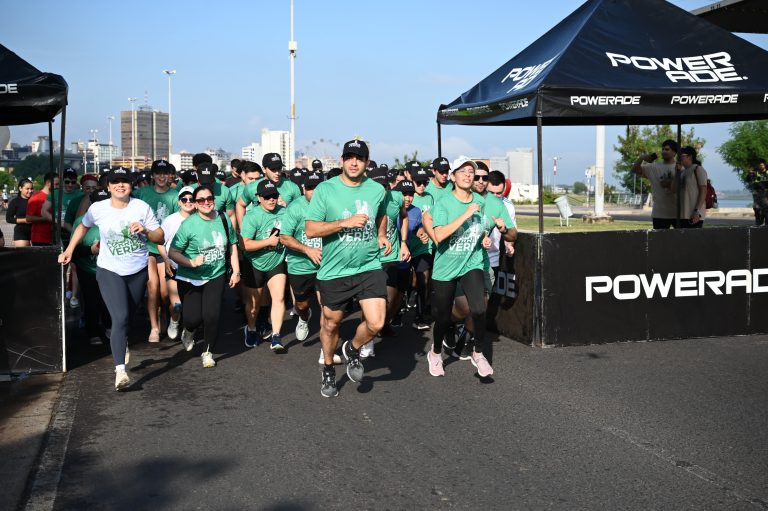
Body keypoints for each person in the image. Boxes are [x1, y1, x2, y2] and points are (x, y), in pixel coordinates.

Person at [58, 167, 164, 391]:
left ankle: (121, 340)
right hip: (109, 270)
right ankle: (120, 371)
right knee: (120, 316)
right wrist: (69, 250)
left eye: (124, 181)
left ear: (131, 185)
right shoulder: (98, 208)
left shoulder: (141, 207)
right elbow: (82, 227)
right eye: (115, 182)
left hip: (137, 269)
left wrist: (145, 230)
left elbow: (159, 236)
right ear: (108, 186)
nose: (120, 185)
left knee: (128, 316)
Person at [305, 139, 390, 398]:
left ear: (366, 162)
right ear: (342, 160)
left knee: (376, 323)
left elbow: (382, 214)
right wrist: (345, 223)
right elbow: (311, 229)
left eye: (360, 158)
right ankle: (329, 368)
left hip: (368, 265)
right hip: (335, 269)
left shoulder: (376, 190)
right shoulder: (326, 189)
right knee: (332, 324)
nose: (354, 162)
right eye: (349, 157)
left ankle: (352, 349)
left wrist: (382, 235)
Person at [427, 156, 514, 378]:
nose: (468, 175)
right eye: (462, 171)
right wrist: (466, 214)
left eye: (470, 172)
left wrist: (490, 235)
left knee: (479, 308)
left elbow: (482, 226)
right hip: (446, 266)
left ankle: (478, 352)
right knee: (444, 318)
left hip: (472, 263)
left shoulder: (481, 201)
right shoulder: (445, 202)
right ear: (454, 176)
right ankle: (436, 353)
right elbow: (439, 235)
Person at [170, 185, 240, 368]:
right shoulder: (189, 224)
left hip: (216, 274)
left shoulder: (223, 218)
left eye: (209, 198)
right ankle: (188, 330)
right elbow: (173, 252)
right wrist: (191, 262)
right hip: (189, 277)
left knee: (212, 316)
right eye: (201, 200)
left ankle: (207, 351)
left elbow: (232, 245)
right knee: (193, 318)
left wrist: (236, 270)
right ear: (195, 203)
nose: (206, 202)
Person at [280, 170, 331, 362]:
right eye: (310, 188)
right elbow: (285, 237)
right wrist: (307, 250)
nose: (314, 192)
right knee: (301, 304)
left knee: (327, 308)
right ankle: (303, 317)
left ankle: (325, 350)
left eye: (318, 188)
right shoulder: (295, 208)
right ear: (303, 189)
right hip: (300, 265)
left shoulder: (330, 206)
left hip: (326, 266)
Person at [134, 160, 179, 342]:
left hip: (166, 248)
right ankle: (153, 327)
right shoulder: (142, 193)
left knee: (164, 292)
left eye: (165, 173)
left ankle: (165, 315)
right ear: (152, 176)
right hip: (146, 246)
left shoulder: (176, 196)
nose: (161, 176)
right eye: (158, 173)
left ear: (170, 175)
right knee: (152, 288)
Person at [239, 180, 288, 351]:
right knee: (254, 305)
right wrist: (268, 241)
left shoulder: (284, 212)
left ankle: (276, 335)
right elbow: (244, 245)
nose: (271, 200)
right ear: (259, 198)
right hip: (254, 263)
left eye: (274, 196)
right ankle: (251, 329)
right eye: (267, 197)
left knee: (279, 297)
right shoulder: (252, 216)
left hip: (276, 261)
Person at [72, 189, 111, 345]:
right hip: (87, 268)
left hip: (109, 268)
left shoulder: (115, 219)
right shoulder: (81, 221)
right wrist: (90, 250)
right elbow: (73, 250)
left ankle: (109, 326)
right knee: (91, 301)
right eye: (97, 204)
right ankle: (92, 331)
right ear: (91, 205)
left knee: (108, 300)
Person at [158, 186, 197, 340]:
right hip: (174, 267)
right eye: (184, 199)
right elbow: (160, 242)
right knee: (177, 305)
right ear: (179, 202)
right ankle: (174, 321)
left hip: (195, 269)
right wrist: (166, 259)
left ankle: (189, 330)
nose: (188, 202)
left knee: (192, 307)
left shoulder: (201, 217)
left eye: (191, 199)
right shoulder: (171, 219)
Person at [409, 167, 435, 330]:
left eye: (424, 182)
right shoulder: (407, 198)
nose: (422, 185)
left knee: (424, 281)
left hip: (424, 248)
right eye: (418, 182)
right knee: (407, 284)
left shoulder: (430, 197)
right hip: (407, 246)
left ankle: (420, 316)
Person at [632, 140, 678, 229]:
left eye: (667, 149)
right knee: (659, 242)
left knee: (680, 241)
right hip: (659, 214)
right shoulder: (654, 167)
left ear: (674, 152)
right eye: (663, 149)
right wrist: (641, 158)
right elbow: (634, 170)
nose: (663, 151)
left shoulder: (680, 167)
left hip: (678, 213)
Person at [672, 146, 708, 229]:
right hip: (681, 215)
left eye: (681, 156)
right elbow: (673, 189)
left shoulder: (698, 169)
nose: (679, 159)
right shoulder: (682, 172)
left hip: (693, 215)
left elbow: (703, 191)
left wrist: (697, 211)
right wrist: (676, 172)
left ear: (690, 156)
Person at [26, 172, 58, 246]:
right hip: (40, 239)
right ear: (48, 183)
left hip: (54, 238)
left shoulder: (56, 196)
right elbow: (28, 218)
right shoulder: (36, 198)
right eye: (56, 184)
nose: (57, 187)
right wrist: (47, 218)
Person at [6, 178, 34, 247]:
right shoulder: (15, 202)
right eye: (27, 189)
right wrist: (25, 220)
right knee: (23, 256)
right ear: (20, 188)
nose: (30, 191)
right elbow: (9, 219)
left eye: (31, 188)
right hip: (21, 233)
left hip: (36, 232)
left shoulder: (35, 200)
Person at [747, 159, 768, 226]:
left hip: (766, 194)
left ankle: (767, 223)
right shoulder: (756, 173)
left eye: (762, 165)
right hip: (757, 193)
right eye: (759, 165)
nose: (760, 166)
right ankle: (759, 222)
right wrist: (750, 174)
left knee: (766, 208)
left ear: (765, 165)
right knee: (756, 208)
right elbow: (748, 179)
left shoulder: (767, 172)